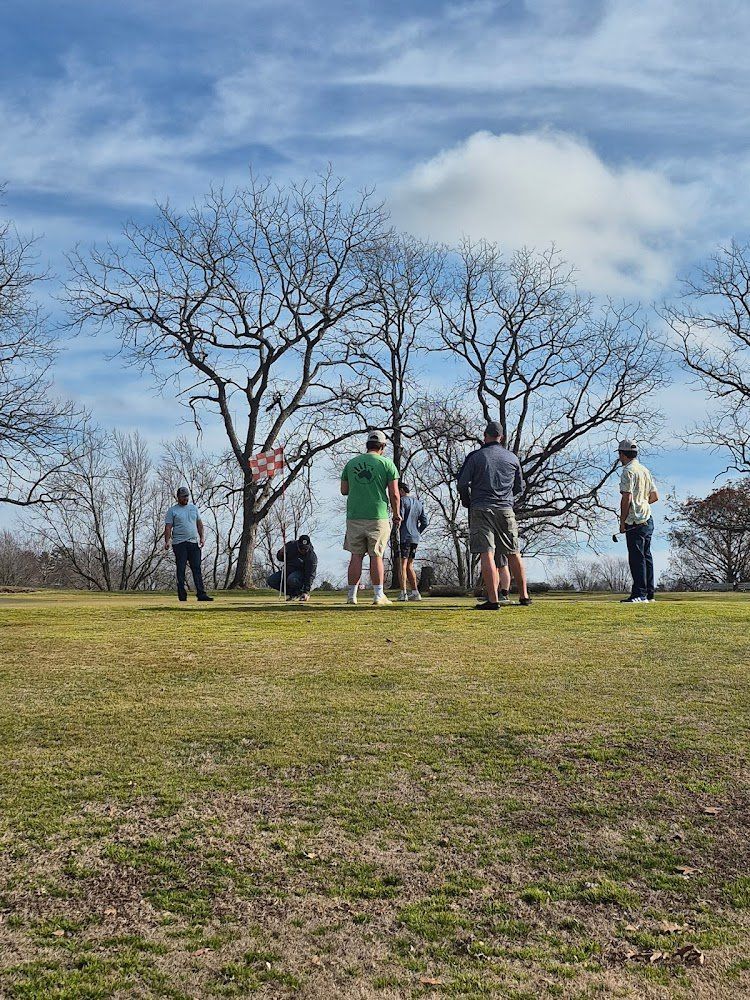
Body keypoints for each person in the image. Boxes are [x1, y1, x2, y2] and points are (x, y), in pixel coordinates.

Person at [457, 420, 531, 610]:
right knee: (514, 552)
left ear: (485, 435)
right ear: (502, 437)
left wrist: (467, 501)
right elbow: (519, 487)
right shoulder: (512, 458)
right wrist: (506, 497)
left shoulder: (475, 456)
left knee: (486, 552)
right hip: (506, 509)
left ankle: (493, 599)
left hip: (481, 507)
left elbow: (462, 483)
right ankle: (524, 596)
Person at [341, 430, 400, 607]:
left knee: (355, 556)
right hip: (378, 516)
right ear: (382, 446)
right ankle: (378, 595)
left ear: (367, 445)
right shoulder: (387, 464)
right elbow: (394, 494)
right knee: (376, 556)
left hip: (354, 516)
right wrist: (396, 514)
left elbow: (344, 490)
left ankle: (352, 596)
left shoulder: (351, 463)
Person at [617, 439, 659, 603]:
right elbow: (654, 496)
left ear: (623, 454)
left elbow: (626, 498)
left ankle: (639, 594)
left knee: (636, 558)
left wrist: (622, 521)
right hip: (648, 519)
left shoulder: (628, 471)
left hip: (634, 521)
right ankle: (649, 594)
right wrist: (642, 502)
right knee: (646, 556)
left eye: (620, 454)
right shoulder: (644, 470)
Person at [164, 487, 213, 602]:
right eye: (183, 496)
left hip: (193, 543)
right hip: (179, 543)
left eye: (187, 496)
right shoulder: (172, 510)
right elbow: (168, 527)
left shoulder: (193, 508)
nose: (186, 498)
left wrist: (202, 537)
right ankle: (182, 595)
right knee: (181, 569)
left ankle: (201, 594)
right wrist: (167, 541)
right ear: (178, 497)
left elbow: (199, 524)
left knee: (196, 568)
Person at [397, 482, 428, 602]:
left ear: (400, 490)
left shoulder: (402, 501)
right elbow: (425, 522)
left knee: (402, 565)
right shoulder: (419, 503)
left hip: (404, 536)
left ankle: (403, 593)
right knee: (410, 565)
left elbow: (400, 518)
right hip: (415, 538)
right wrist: (417, 532)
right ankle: (415, 592)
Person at [267, 534, 318, 602]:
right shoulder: (290, 545)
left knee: (292, 579)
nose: (303, 550)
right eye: (301, 548)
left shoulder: (311, 557)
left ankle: (300, 593)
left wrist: (306, 591)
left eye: (305, 549)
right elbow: (280, 558)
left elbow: (310, 576)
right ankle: (292, 594)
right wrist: (280, 553)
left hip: (300, 576)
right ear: (297, 545)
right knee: (271, 580)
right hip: (287, 571)